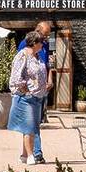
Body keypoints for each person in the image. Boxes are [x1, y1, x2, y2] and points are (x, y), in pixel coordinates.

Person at [7, 31, 49, 165]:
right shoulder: (22, 55)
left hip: (38, 97)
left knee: (32, 127)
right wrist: (26, 91)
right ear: (35, 43)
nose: (43, 44)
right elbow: (15, 77)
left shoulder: (37, 56)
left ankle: (24, 155)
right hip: (26, 98)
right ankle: (31, 155)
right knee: (29, 127)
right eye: (41, 42)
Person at [17, 21, 53, 162]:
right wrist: (24, 87)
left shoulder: (44, 45)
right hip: (30, 91)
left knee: (33, 122)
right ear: (38, 31)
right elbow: (20, 68)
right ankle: (36, 153)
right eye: (45, 35)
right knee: (33, 122)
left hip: (41, 90)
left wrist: (49, 80)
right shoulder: (24, 45)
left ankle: (25, 154)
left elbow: (47, 65)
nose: (46, 38)